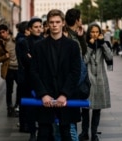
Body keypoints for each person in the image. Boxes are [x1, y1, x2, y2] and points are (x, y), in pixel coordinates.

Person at [30, 9, 81, 141]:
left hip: (65, 97)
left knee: (66, 133)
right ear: (47, 24)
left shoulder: (73, 46)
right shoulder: (38, 46)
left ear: (63, 23)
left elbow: (75, 72)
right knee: (43, 134)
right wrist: (43, 94)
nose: (54, 25)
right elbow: (33, 72)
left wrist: (64, 94)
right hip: (46, 97)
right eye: (51, 22)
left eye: (57, 22)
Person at [79, 23, 112, 141]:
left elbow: (109, 57)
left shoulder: (104, 44)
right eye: (92, 32)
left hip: (100, 80)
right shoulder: (85, 45)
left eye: (97, 32)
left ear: (100, 33)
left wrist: (103, 44)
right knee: (85, 109)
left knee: (97, 109)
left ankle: (94, 134)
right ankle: (84, 132)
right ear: (89, 33)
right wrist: (90, 47)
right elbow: (84, 60)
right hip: (88, 80)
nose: (95, 34)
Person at [16, 18, 43, 141]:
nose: (39, 29)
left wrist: (33, 58)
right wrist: (34, 60)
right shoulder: (24, 42)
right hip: (27, 80)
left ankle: (42, 132)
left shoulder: (44, 41)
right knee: (30, 108)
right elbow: (25, 61)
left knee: (41, 107)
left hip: (42, 80)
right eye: (36, 27)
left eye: (40, 26)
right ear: (30, 29)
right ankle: (32, 133)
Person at [65, 8, 87, 141]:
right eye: (81, 18)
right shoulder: (68, 35)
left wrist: (81, 37)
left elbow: (83, 52)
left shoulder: (74, 35)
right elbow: (80, 61)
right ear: (77, 20)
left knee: (70, 120)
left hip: (72, 83)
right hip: (71, 84)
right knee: (69, 121)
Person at [0, 24, 19, 117]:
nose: (2, 34)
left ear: (7, 31)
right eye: (0, 33)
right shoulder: (0, 44)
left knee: (20, 88)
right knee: (9, 90)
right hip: (8, 69)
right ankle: (9, 108)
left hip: (18, 69)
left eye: (3, 32)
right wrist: (5, 56)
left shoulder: (15, 40)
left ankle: (17, 106)